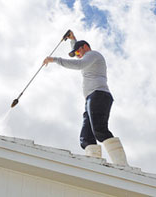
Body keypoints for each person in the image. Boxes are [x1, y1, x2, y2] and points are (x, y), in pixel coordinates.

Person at [43, 30, 128, 166]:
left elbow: (79, 64)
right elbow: (78, 50)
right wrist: (73, 39)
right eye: (75, 54)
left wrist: (54, 60)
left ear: (86, 48)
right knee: (86, 137)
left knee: (100, 130)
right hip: (90, 99)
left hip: (99, 95)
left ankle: (123, 165)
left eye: (78, 52)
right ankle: (95, 165)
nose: (77, 56)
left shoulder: (92, 55)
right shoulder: (85, 55)